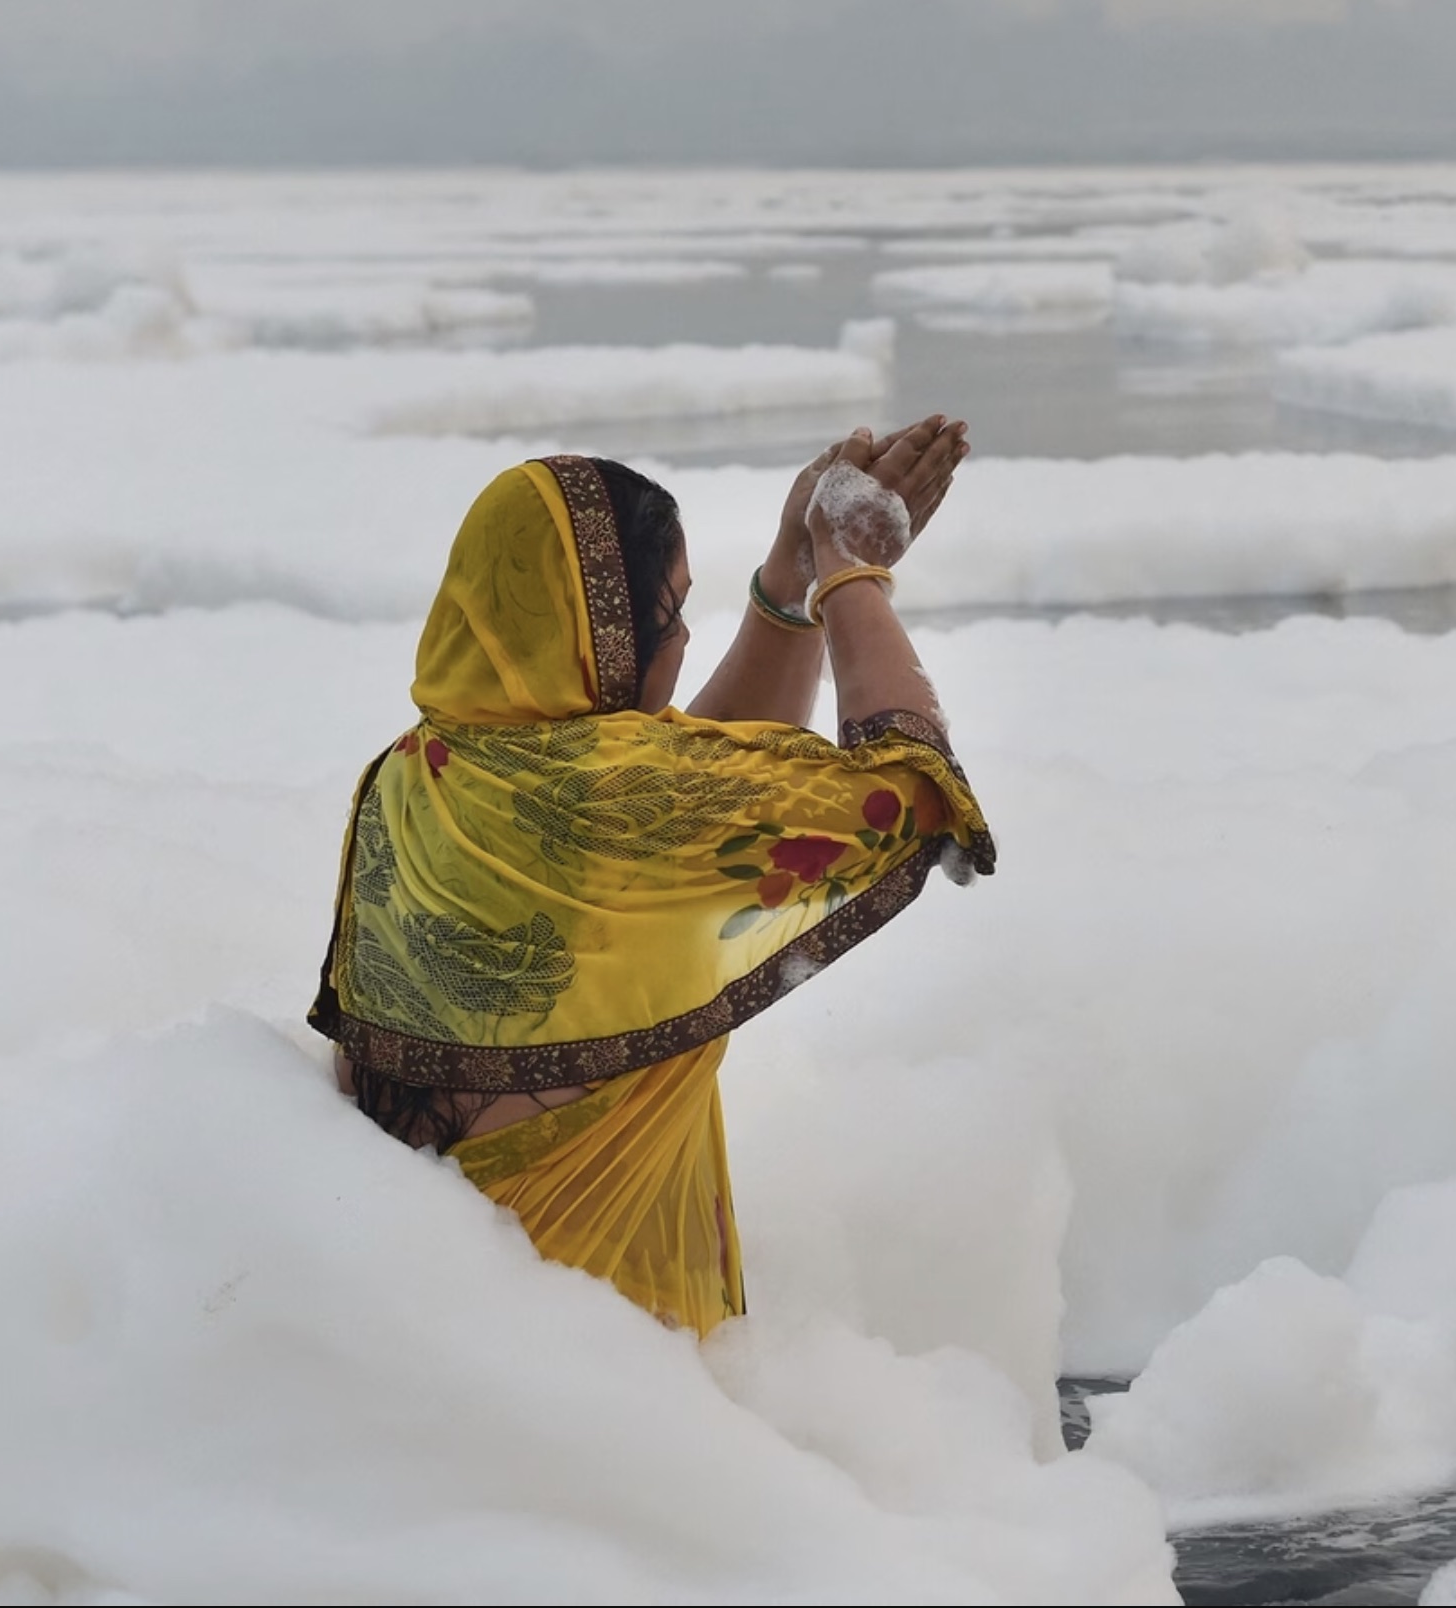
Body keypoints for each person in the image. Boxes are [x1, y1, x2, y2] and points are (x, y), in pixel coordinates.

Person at [308, 416, 991, 1336]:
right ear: (594, 635)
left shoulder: (413, 776)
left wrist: (787, 583)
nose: (676, 646)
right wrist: (851, 575)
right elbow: (914, 791)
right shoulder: (608, 810)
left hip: (437, 1351)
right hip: (614, 1377)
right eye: (665, 617)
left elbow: (673, 802)